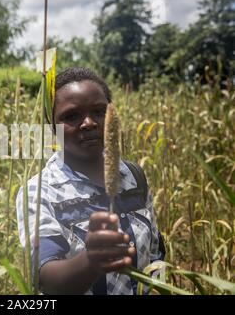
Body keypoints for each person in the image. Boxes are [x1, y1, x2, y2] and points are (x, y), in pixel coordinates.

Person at [16, 67, 165, 295]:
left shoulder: (134, 176)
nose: (89, 123)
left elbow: (156, 255)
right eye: (71, 116)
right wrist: (91, 260)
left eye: (99, 111)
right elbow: (46, 278)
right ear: (52, 127)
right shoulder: (38, 192)